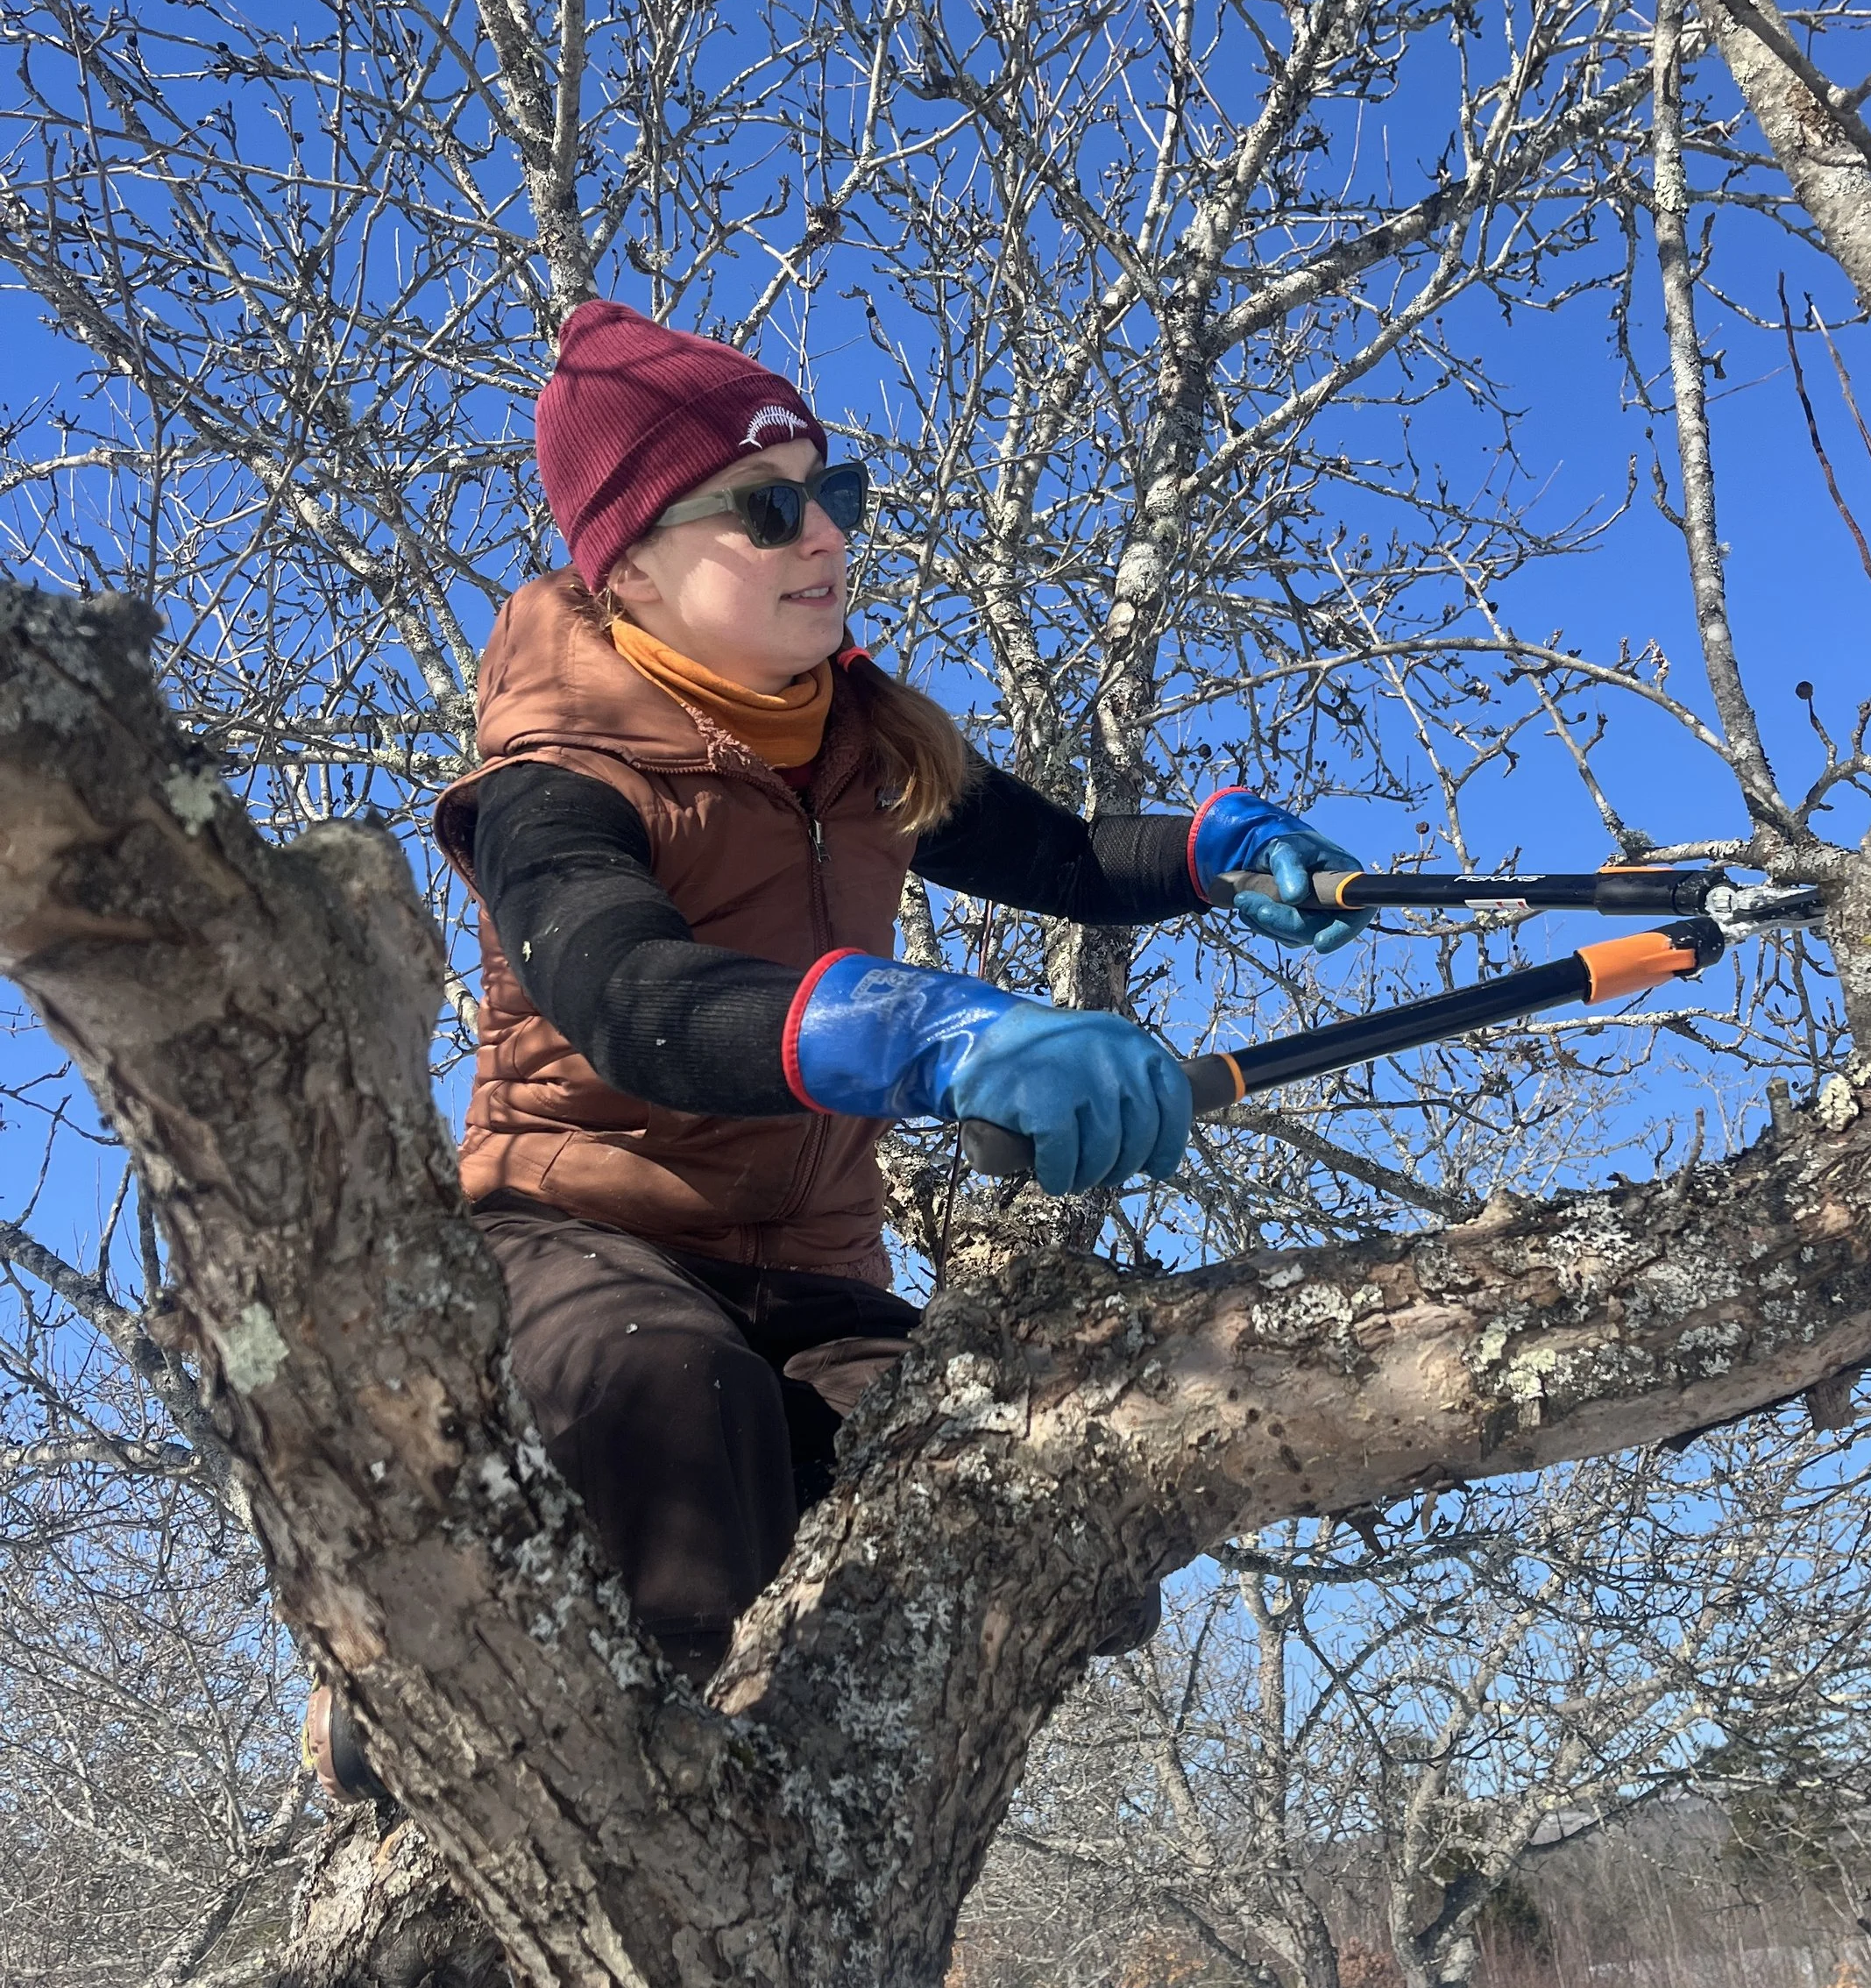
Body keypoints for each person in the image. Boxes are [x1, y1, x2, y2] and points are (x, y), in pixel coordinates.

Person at [305, 300, 1368, 1797]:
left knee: (981, 1467)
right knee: (681, 1407)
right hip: (573, 1241)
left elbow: (1061, 853)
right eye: (766, 505)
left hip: (812, 1266)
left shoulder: (859, 736)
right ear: (631, 563)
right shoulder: (556, 782)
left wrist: (1218, 854)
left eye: (834, 494)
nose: (824, 535)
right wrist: (924, 1026)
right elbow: (635, 1000)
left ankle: (818, 1843)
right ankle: (437, 1698)